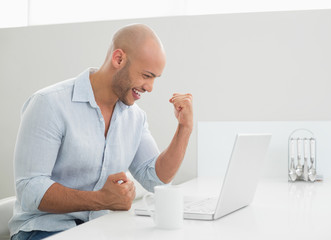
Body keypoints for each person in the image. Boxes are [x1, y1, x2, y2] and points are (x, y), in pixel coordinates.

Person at [9, 24, 193, 240]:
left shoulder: (135, 117)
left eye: (155, 78)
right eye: (146, 75)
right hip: (43, 230)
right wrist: (101, 199)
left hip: (100, 230)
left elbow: (155, 180)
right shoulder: (49, 104)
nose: (150, 87)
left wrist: (184, 128)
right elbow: (30, 189)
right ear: (118, 59)